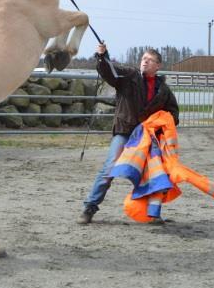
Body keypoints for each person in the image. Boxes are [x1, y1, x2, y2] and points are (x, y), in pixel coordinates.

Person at [77, 44, 180, 224]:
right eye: (143, 59)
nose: (145, 62)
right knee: (109, 169)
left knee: (153, 174)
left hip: (147, 138)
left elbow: (173, 113)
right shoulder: (129, 76)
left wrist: (161, 127)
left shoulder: (164, 90)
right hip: (124, 131)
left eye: (150, 60)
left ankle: (153, 213)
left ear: (158, 66)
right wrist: (102, 56)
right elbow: (110, 71)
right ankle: (89, 207)